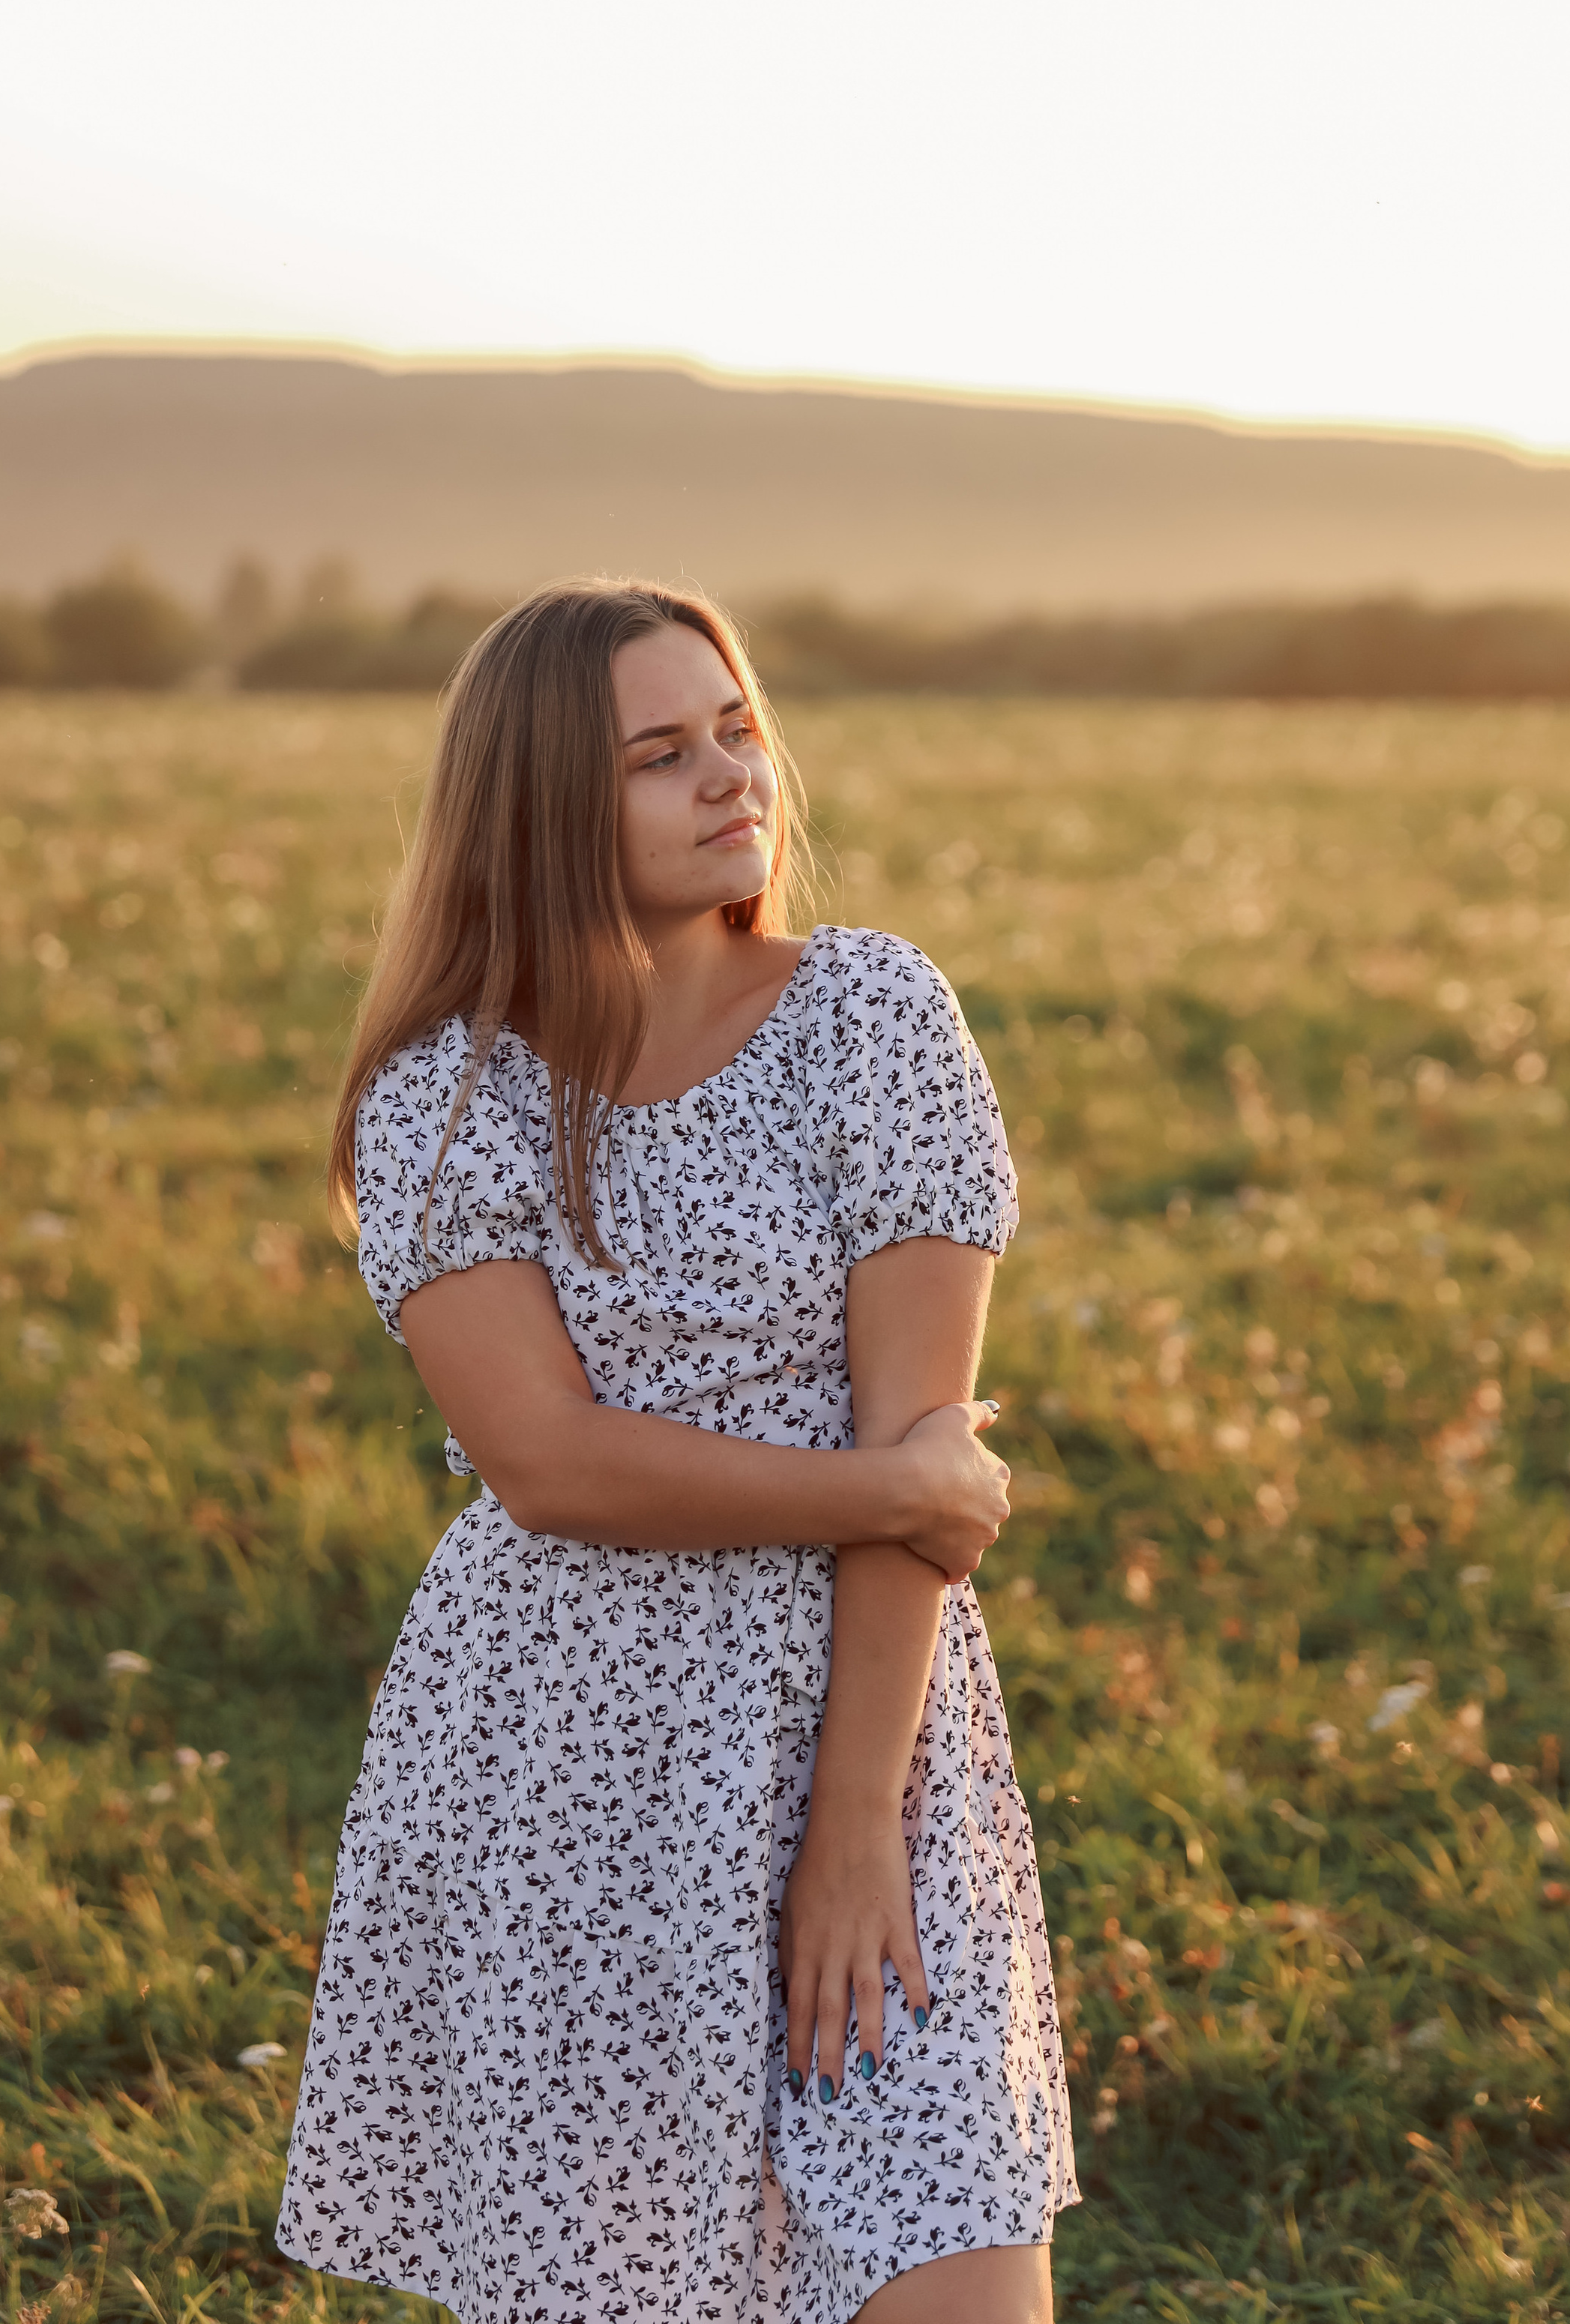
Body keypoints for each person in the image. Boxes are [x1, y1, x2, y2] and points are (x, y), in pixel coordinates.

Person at [275, 580, 1077, 2323]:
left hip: (869, 1725)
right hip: (559, 1764)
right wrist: (896, 1489)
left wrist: (856, 1824)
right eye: (658, 754)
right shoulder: (447, 1091)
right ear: (545, 801)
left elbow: (916, 1424)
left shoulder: (875, 1016)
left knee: (955, 2263)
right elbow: (551, 1465)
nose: (732, 778)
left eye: (738, 729)